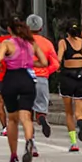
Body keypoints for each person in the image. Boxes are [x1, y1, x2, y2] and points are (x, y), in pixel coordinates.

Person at [0, 19, 47, 162]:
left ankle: (13, 155)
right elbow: (44, 62)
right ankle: (29, 140)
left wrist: (3, 63)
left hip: (11, 79)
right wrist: (30, 62)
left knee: (12, 119)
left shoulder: (7, 43)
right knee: (26, 116)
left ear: (10, 30)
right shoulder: (31, 43)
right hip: (27, 80)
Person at [25, 15, 60, 143]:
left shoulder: (22, 42)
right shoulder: (47, 43)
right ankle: (42, 119)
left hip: (25, 79)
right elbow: (56, 64)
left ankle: (31, 141)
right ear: (40, 28)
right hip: (41, 79)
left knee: (26, 113)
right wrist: (46, 72)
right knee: (40, 110)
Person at [57, 23, 82, 152]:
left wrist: (57, 68)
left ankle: (74, 142)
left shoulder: (63, 42)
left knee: (68, 112)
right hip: (81, 78)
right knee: (80, 112)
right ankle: (81, 123)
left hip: (67, 78)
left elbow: (59, 58)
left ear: (67, 33)